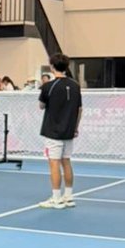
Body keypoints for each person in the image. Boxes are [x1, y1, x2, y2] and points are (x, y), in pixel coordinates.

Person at [38, 54, 82, 209]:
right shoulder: (76, 85)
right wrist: (75, 127)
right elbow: (79, 109)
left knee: (54, 163)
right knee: (66, 161)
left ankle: (56, 198)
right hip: (69, 131)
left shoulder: (48, 86)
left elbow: (41, 106)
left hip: (53, 132)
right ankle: (68, 197)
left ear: (52, 67)